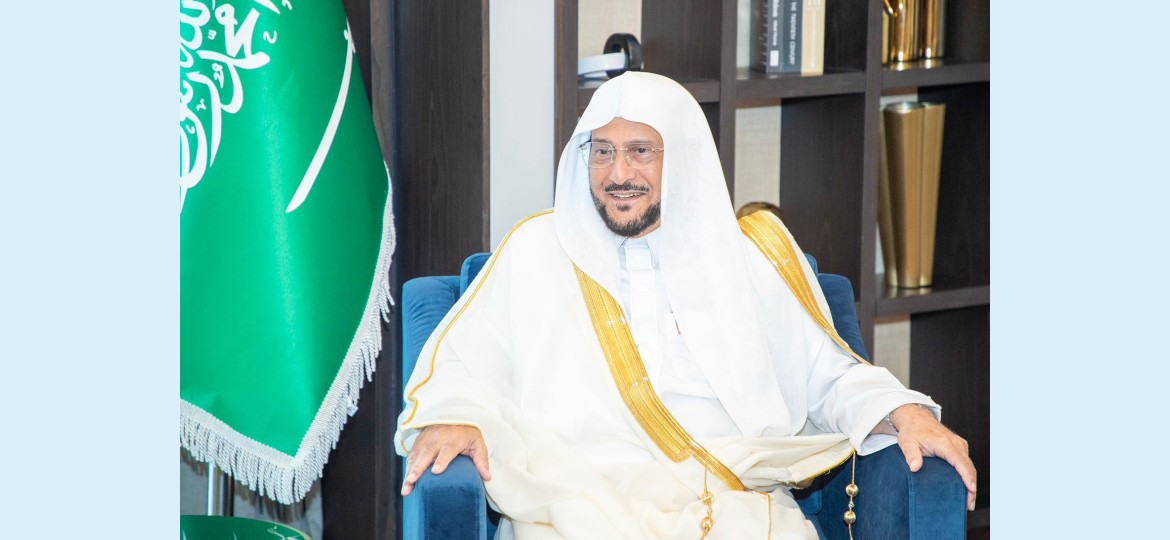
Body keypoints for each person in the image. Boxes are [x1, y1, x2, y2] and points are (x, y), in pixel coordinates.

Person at [395, 72, 975, 539]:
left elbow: (829, 377)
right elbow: (467, 360)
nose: (619, 174)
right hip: (575, 503)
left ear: (683, 158)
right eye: (603, 152)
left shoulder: (750, 258)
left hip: (730, 502)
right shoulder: (537, 250)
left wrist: (906, 413)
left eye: (640, 151)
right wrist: (454, 414)